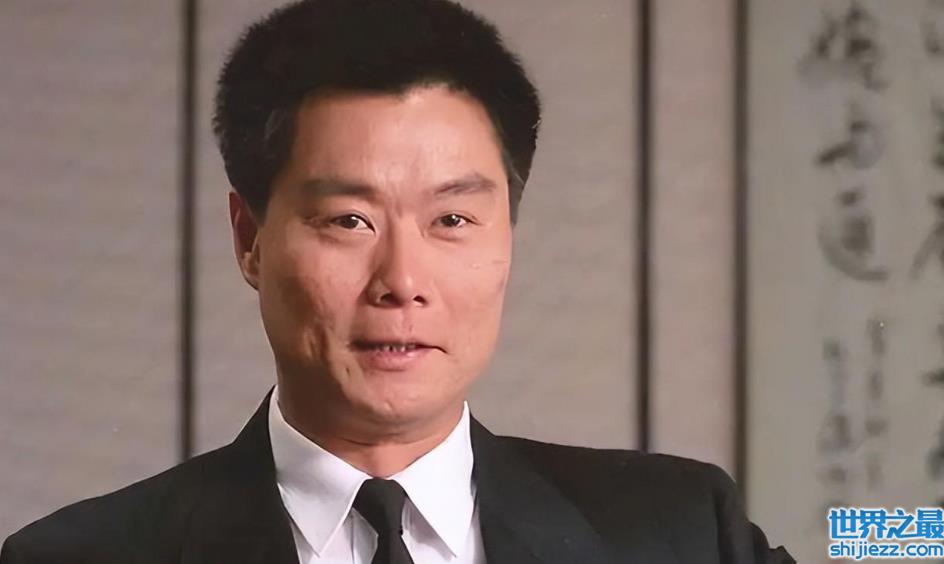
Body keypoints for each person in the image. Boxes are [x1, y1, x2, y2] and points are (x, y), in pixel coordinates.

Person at [0, 1, 794, 562]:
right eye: (350, 220)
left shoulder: (683, 534)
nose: (402, 281)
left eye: (452, 219)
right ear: (249, 238)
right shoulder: (80, 556)